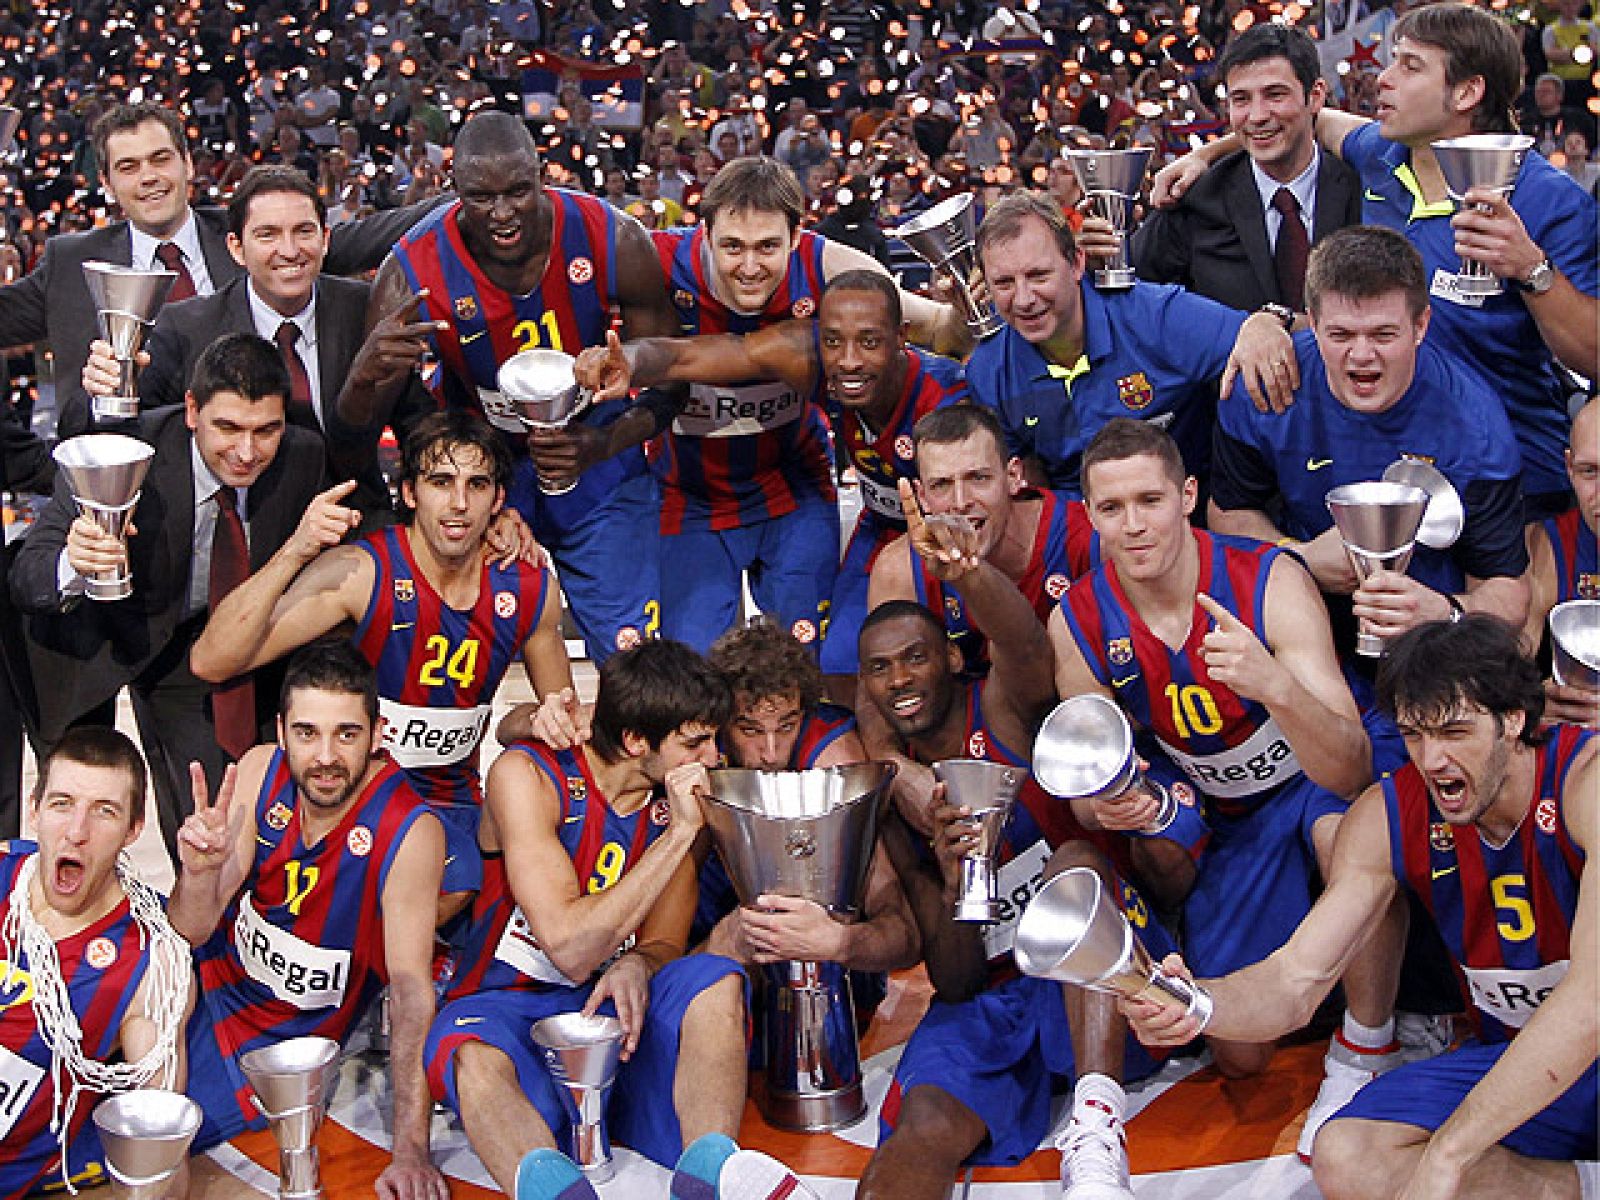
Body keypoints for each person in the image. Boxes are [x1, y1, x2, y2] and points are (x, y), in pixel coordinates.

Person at [1123, 616, 1598, 1200]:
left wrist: (1452, 1150)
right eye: (1416, 736)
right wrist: (1195, 1005)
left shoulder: (1587, 782)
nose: (1433, 760)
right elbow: (1296, 978)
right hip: (1519, 1054)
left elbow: (1590, 1000)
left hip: (1587, 1036)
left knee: (1447, 1157)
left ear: (1513, 720)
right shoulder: (1389, 813)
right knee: (1346, 1157)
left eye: (1454, 733)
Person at [1050, 419, 1403, 1157]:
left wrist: (1275, 685)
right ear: (1088, 515)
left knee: (1362, 834)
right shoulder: (1077, 620)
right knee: (1241, 1052)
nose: (1134, 523)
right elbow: (1088, 781)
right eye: (1111, 508)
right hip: (1229, 812)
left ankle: (1366, 1049)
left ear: (1188, 496)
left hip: (1314, 779)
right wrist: (1114, 802)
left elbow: (1350, 765)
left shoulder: (1268, 579)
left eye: (1150, 499)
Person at [1156, 3, 1599, 517]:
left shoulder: (1549, 200)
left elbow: (1592, 356)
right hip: (1393, 464)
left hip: (1512, 480)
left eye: (1409, 66)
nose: (1382, 80)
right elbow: (1302, 116)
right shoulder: (1382, 157)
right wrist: (1204, 155)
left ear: (1466, 92)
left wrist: (1532, 271)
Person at [855, 491, 1163, 1200]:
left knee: (1075, 864)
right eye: (880, 669)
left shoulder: (999, 708)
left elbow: (1025, 643)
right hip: (992, 991)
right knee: (923, 1125)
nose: (900, 680)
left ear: (952, 662)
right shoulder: (895, 802)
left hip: (1101, 970)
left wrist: (966, 573)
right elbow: (957, 980)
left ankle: (1095, 1134)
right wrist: (955, 873)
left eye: (915, 658)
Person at [189, 410, 571, 918]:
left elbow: (564, 724)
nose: (459, 504)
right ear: (410, 492)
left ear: (499, 500)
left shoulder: (528, 588)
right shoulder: (362, 573)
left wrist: (530, 724)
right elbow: (211, 660)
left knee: (453, 883)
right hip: (349, 787)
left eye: (477, 485)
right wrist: (295, 553)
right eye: (441, 483)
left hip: (447, 800)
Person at [337, 109, 681, 661]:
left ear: (543, 174)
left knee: (632, 659)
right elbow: (362, 431)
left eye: (519, 191)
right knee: (449, 662)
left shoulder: (611, 236)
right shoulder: (409, 271)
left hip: (594, 453)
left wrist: (605, 443)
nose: (502, 214)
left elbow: (671, 382)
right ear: (452, 188)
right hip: (479, 471)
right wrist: (484, 489)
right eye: (481, 197)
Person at [421, 640, 748, 1193]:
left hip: (615, 1016)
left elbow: (666, 942)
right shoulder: (527, 775)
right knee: (470, 1057)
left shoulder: (676, 804)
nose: (714, 758)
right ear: (635, 740)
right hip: (509, 1006)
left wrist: (639, 965)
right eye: (695, 743)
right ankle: (555, 1188)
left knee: (714, 980)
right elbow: (569, 949)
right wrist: (678, 838)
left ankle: (708, 1175)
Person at [10, 333, 327, 859]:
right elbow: (29, 572)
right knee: (79, 823)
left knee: (209, 814)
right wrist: (75, 561)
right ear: (191, 410)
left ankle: (203, 933)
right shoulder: (125, 451)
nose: (247, 452)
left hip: (191, 643)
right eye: (227, 427)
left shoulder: (303, 457)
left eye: (265, 430)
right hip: (79, 642)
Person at [572, 269, 970, 676]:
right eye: (834, 342)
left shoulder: (950, 400)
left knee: (950, 661)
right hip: (879, 524)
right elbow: (693, 356)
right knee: (838, 665)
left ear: (900, 337)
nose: (849, 360)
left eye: (869, 342)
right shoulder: (812, 362)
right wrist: (633, 362)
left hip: (954, 537)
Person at [170, 642, 449, 1198]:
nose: (325, 756)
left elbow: (412, 990)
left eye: (346, 734)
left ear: (377, 734)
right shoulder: (256, 769)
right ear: (281, 731)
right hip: (200, 977)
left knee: (110, 1137)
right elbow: (192, 929)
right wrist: (199, 874)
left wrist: (411, 1150)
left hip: (273, 1040)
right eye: (307, 733)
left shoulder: (410, 830)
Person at [0, 102, 437, 439]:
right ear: (108, 185)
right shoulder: (70, 264)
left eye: (160, 159)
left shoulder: (255, 235)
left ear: (187, 164)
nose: (149, 177)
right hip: (138, 492)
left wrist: (468, 199)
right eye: (129, 167)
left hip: (259, 473)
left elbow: (372, 235)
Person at [1209, 227, 1531, 657]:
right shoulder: (1267, 386)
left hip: (1430, 647)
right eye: (1341, 335)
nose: (1361, 355)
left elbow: (1509, 592)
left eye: (1383, 335)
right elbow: (1229, 512)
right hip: (1299, 620)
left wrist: (1444, 612)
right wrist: (1297, 556)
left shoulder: (1475, 428)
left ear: (1421, 326)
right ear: (1313, 321)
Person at [80, 164, 433, 518]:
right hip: (238, 534)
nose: (290, 250)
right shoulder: (186, 327)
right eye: (268, 235)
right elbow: (118, 435)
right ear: (236, 247)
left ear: (325, 240)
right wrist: (104, 389)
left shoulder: (366, 311)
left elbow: (421, 425)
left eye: (303, 231)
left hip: (356, 524)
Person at [964, 190, 1274, 496]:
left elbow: (1263, 339)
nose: (1024, 299)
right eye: (1004, 283)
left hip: (1188, 512)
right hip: (1081, 527)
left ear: (1076, 264)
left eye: (1039, 276)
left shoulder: (1154, 317)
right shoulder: (989, 369)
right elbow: (1027, 480)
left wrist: (1265, 323)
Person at [0, 728, 192, 1199]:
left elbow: (159, 1163)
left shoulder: (151, 964)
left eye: (103, 812)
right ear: (35, 807)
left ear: (133, 829)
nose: (76, 832)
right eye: (62, 803)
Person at [697, 618, 920, 1002]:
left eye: (786, 727)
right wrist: (719, 946)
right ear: (720, 725)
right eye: (749, 731)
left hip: (833, 977)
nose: (770, 753)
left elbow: (903, 932)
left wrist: (842, 942)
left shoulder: (833, 761)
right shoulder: (699, 755)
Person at [1131, 22, 1362, 313]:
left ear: (1315, 96)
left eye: (1275, 95)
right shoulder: (1195, 199)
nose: (1257, 116)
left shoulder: (1362, 187)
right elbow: (1133, 293)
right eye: (1241, 99)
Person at [867, 403, 1096, 680]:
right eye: (941, 485)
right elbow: (879, 689)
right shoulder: (900, 571)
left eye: (978, 478)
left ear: (1013, 477)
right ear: (922, 496)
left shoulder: (1086, 536)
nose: (961, 502)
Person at [1525, 398, 1599, 729]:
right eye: (1590, 472)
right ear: (1569, 468)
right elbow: (1502, 668)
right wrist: (1529, 703)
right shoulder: (1545, 547)